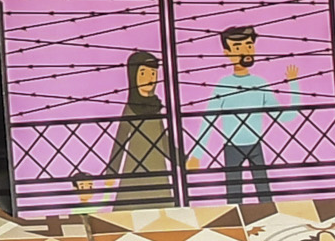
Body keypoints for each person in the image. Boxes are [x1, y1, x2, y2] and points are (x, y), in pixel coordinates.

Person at [197, 23, 294, 205]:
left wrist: (294, 86)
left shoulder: (261, 83)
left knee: (265, 196)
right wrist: (197, 153)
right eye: (237, 47)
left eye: (249, 45)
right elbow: (208, 119)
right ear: (226, 52)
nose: (245, 51)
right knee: (234, 197)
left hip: (255, 145)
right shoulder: (223, 85)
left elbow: (284, 116)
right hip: (232, 147)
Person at [98, 49, 178, 208]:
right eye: (144, 73)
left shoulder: (155, 107)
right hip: (134, 167)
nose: (150, 78)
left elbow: (163, 139)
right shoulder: (131, 108)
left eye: (153, 73)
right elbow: (120, 141)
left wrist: (181, 160)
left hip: (157, 168)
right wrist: (112, 171)